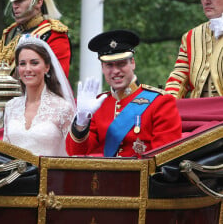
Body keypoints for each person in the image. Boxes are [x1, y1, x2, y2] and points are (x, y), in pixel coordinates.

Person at [66, 30, 182, 158]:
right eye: (109, 65)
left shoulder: (160, 102)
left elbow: (165, 159)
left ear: (132, 63)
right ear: (102, 68)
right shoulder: (97, 104)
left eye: (121, 64)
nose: (115, 71)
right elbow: (77, 154)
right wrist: (81, 122)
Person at [3, 34, 75, 156]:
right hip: (14, 174)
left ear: (47, 67)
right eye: (22, 64)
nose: (28, 69)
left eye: (34, 63)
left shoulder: (63, 107)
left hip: (50, 174)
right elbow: (4, 152)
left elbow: (72, 154)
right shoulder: (11, 106)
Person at [165, 0, 223, 98]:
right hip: (199, 115)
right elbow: (178, 79)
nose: (206, 1)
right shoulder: (191, 36)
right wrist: (167, 105)